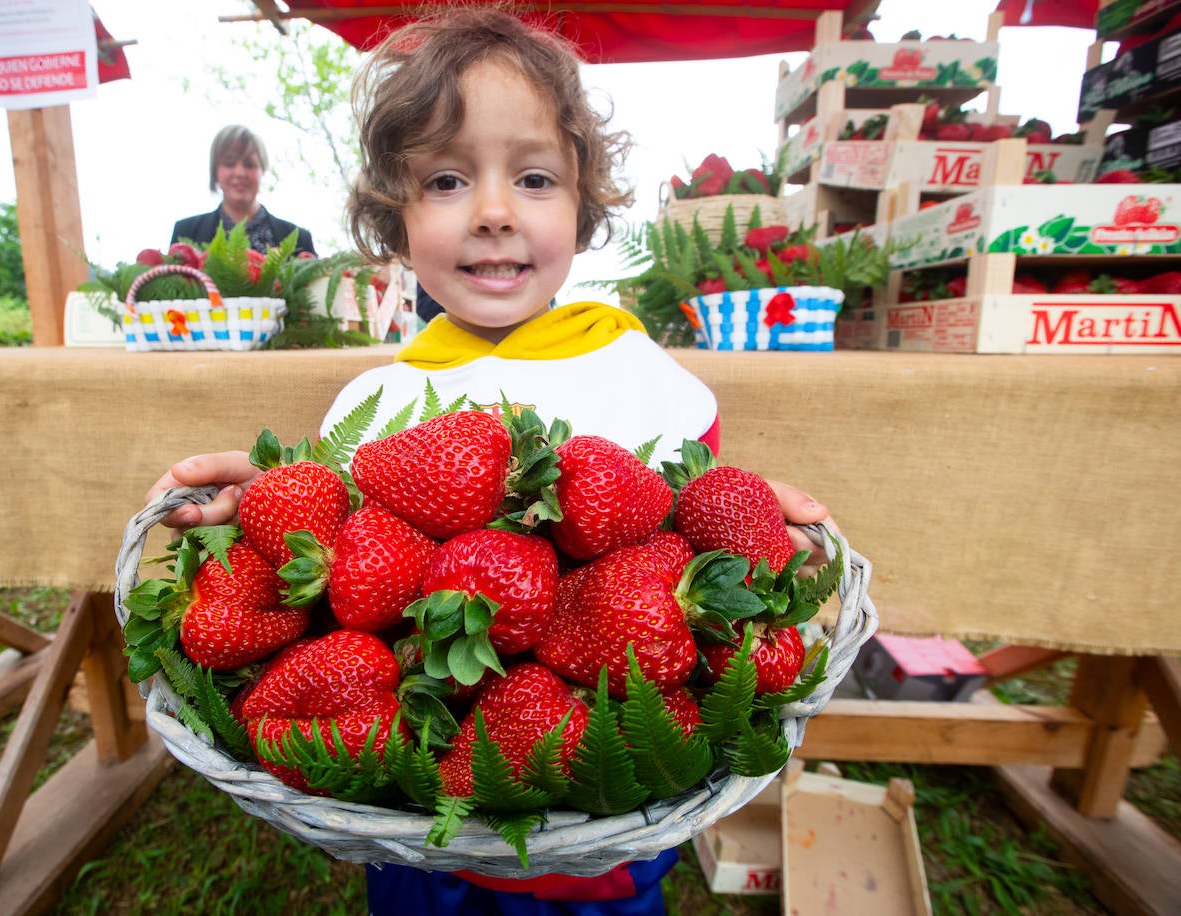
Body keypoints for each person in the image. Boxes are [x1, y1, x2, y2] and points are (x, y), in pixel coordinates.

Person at [146, 9, 833, 915]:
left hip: (601, 803)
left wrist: (762, 531)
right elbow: (340, 527)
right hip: (417, 814)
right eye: (445, 179)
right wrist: (268, 493)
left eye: (536, 177)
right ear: (393, 220)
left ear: (583, 209)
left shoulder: (635, 372)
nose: (496, 212)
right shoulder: (379, 403)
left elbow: (693, 520)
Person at [169, 124, 318, 257]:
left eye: (249, 164)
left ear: (262, 170)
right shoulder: (186, 233)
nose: (240, 173)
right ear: (215, 171)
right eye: (229, 163)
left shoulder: (299, 240)